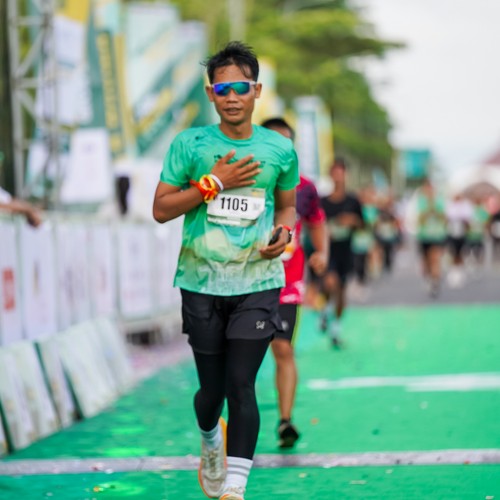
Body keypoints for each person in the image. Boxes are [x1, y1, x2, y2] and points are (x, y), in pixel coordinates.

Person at [152, 42, 299, 500]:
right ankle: (210, 438)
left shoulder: (280, 149)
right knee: (211, 391)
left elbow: (287, 206)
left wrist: (284, 234)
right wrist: (213, 183)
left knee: (241, 384)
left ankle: (235, 487)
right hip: (201, 282)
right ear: (210, 94)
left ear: (257, 91)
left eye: (240, 88)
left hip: (258, 281)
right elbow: (161, 209)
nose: (232, 97)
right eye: (222, 89)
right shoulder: (190, 144)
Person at [261, 117, 328, 448]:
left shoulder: (304, 188)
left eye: (285, 142)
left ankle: (285, 420)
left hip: (287, 280)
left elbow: (316, 221)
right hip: (245, 280)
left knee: (283, 347)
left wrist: (322, 252)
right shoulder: (244, 181)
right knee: (242, 355)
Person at [319, 158, 363, 347]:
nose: (338, 176)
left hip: (346, 250)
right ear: (330, 175)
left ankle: (335, 327)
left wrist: (353, 221)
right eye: (335, 172)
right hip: (328, 251)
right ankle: (324, 310)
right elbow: (315, 225)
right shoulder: (322, 202)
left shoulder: (353, 201)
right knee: (331, 283)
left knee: (341, 292)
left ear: (346, 175)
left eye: (341, 172)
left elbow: (363, 225)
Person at [415, 178, 447, 298]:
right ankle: (429, 277)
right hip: (424, 235)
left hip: (437, 235)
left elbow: (444, 217)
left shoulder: (439, 201)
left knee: (435, 258)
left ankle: (435, 282)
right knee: (426, 261)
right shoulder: (421, 201)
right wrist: (428, 208)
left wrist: (435, 207)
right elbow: (420, 219)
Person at [445, 193, 472, 288]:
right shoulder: (450, 206)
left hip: (461, 234)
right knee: (452, 253)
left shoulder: (465, 206)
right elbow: (446, 218)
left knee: (461, 253)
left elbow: (468, 221)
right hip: (452, 233)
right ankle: (453, 272)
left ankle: (459, 272)